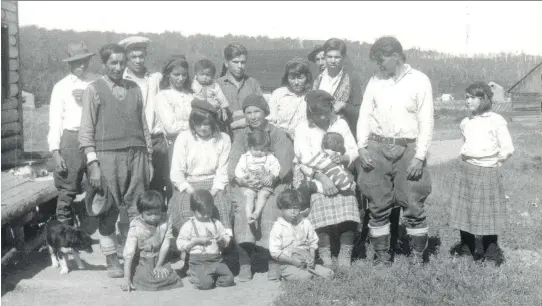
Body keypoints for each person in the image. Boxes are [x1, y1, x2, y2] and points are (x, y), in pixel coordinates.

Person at [356, 36, 434, 266]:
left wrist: (419, 156)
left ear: (396, 57)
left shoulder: (419, 81)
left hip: (407, 147)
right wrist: (361, 146)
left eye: (382, 60)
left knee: (412, 202)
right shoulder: (375, 81)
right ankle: (382, 256)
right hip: (377, 147)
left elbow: (426, 121)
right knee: (378, 204)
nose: (379, 65)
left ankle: (417, 257)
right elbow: (364, 115)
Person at [79, 43, 153, 278]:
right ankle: (112, 258)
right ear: (104, 64)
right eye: (113, 62)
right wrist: (93, 164)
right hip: (107, 157)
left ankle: (137, 256)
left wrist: (148, 157)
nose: (119, 67)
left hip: (137, 154)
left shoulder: (135, 88)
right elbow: (86, 131)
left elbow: (143, 125)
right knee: (107, 209)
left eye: (122, 62)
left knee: (137, 208)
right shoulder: (94, 90)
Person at [228, 94, 295, 282]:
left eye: (256, 111)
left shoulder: (277, 134)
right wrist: (243, 181)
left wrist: (270, 178)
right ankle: (245, 262)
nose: (253, 116)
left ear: (265, 112)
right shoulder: (241, 135)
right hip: (247, 182)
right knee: (242, 207)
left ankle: (273, 260)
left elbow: (285, 162)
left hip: (273, 182)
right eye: (248, 112)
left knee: (271, 207)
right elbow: (234, 162)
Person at [448, 82, 514, 267]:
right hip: (466, 170)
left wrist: (494, 163)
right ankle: (466, 251)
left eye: (472, 97)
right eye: (466, 97)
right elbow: (466, 145)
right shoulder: (466, 122)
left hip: (488, 172)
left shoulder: (496, 120)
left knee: (489, 216)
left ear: (484, 98)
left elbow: (507, 148)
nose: (467, 100)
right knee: (465, 213)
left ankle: (491, 256)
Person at [293, 90, 360, 269]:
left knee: (348, 199)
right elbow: (302, 159)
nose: (323, 118)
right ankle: (324, 251)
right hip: (311, 174)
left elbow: (353, 150)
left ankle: (346, 251)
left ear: (331, 109)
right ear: (310, 113)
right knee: (318, 200)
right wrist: (322, 177)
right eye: (317, 115)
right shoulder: (302, 128)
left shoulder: (340, 124)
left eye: (326, 113)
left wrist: (344, 159)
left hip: (340, 172)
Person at [48, 41, 98, 226]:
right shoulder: (61, 87)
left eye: (84, 61)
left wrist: (88, 97)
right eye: (77, 62)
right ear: (69, 63)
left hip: (95, 137)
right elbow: (55, 120)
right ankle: (65, 236)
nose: (82, 66)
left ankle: (97, 231)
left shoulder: (97, 82)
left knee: (99, 183)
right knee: (68, 188)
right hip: (71, 138)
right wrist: (55, 151)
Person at [168, 98, 232, 238]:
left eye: (207, 124)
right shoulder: (184, 137)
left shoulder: (223, 138)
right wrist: (191, 190)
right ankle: (192, 245)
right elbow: (176, 172)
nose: (203, 128)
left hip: (214, 184)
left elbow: (222, 171)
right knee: (186, 211)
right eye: (199, 124)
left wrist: (213, 192)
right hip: (189, 185)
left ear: (214, 123)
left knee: (221, 209)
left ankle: (221, 245)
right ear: (192, 123)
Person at [118, 37, 166, 200]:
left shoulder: (155, 79)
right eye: (133, 57)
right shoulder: (121, 80)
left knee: (158, 184)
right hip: (134, 140)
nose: (138, 61)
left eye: (141, 56)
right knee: (136, 185)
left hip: (156, 139)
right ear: (126, 58)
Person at [121, 191, 183, 292]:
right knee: (148, 280)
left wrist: (159, 265)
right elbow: (129, 253)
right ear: (141, 212)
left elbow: (166, 244)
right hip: (143, 259)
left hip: (161, 257)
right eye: (149, 214)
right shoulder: (136, 225)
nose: (153, 217)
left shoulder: (166, 219)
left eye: (157, 213)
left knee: (167, 276)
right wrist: (126, 279)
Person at [269, 189, 334, 281]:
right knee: (305, 277)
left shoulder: (305, 223)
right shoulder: (278, 227)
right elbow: (275, 252)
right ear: (281, 208)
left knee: (329, 274)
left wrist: (312, 257)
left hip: (306, 261)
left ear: (300, 207)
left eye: (295, 207)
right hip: (288, 264)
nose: (292, 211)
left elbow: (313, 242)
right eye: (288, 208)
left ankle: (312, 274)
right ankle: (286, 275)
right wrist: (292, 261)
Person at [176, 189, 235, 290]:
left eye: (209, 212)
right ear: (193, 210)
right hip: (198, 261)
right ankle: (193, 273)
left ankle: (210, 277)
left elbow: (225, 236)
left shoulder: (216, 223)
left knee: (229, 280)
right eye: (202, 214)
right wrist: (195, 241)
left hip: (216, 260)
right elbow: (180, 243)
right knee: (205, 285)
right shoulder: (189, 225)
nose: (206, 216)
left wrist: (223, 240)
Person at [313, 38, 362, 137]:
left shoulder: (351, 79)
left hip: (343, 133)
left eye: (337, 57)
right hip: (319, 131)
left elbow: (360, 111)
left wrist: (344, 105)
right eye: (329, 57)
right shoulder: (318, 79)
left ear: (343, 58)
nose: (333, 61)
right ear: (325, 57)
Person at [234, 129, 281, 225]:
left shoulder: (270, 157)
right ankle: (248, 216)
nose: (259, 152)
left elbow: (277, 167)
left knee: (263, 195)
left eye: (263, 150)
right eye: (256, 149)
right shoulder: (245, 157)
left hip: (265, 184)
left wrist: (271, 176)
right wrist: (245, 177)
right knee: (249, 196)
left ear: (267, 148)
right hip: (250, 184)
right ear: (250, 147)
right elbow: (238, 171)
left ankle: (256, 213)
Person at [216, 43, 263, 138]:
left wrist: (233, 119)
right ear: (226, 63)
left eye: (243, 62)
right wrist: (245, 117)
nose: (240, 66)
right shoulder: (217, 85)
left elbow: (261, 111)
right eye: (235, 62)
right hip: (225, 137)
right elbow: (217, 117)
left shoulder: (253, 84)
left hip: (252, 137)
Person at [154, 55, 194, 160]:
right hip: (174, 146)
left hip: (194, 144)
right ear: (168, 74)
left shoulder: (190, 95)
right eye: (176, 75)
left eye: (184, 75)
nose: (181, 79)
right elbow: (171, 128)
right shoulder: (163, 96)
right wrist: (195, 124)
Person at [267, 58, 312, 138]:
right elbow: (270, 122)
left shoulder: (312, 95)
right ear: (287, 79)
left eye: (300, 78)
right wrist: (286, 132)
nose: (296, 82)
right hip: (280, 138)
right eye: (292, 78)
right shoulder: (278, 94)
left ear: (307, 77)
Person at [191, 58, 231, 137]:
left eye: (208, 75)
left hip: (213, 109)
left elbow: (221, 97)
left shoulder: (215, 86)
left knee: (215, 124)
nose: (205, 77)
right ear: (196, 75)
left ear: (212, 76)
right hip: (199, 110)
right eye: (202, 74)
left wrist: (224, 110)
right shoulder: (194, 84)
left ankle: (216, 135)